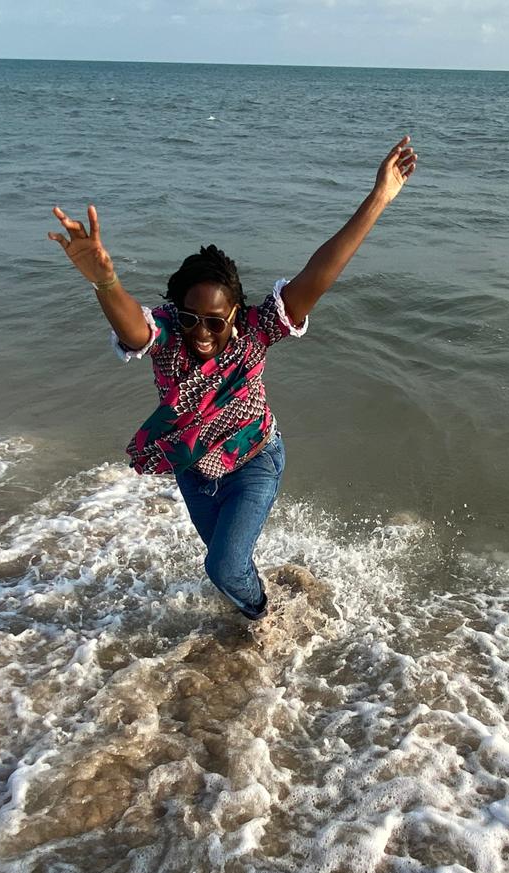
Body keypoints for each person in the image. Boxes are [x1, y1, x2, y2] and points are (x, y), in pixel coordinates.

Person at [48, 136, 417, 621]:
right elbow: (134, 329)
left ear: (236, 315)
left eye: (215, 321)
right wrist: (105, 281)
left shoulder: (257, 331)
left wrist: (379, 197)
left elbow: (319, 274)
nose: (201, 332)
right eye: (190, 318)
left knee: (222, 567)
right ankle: (252, 609)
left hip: (254, 460)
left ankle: (264, 619)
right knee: (229, 567)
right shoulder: (167, 336)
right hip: (193, 467)